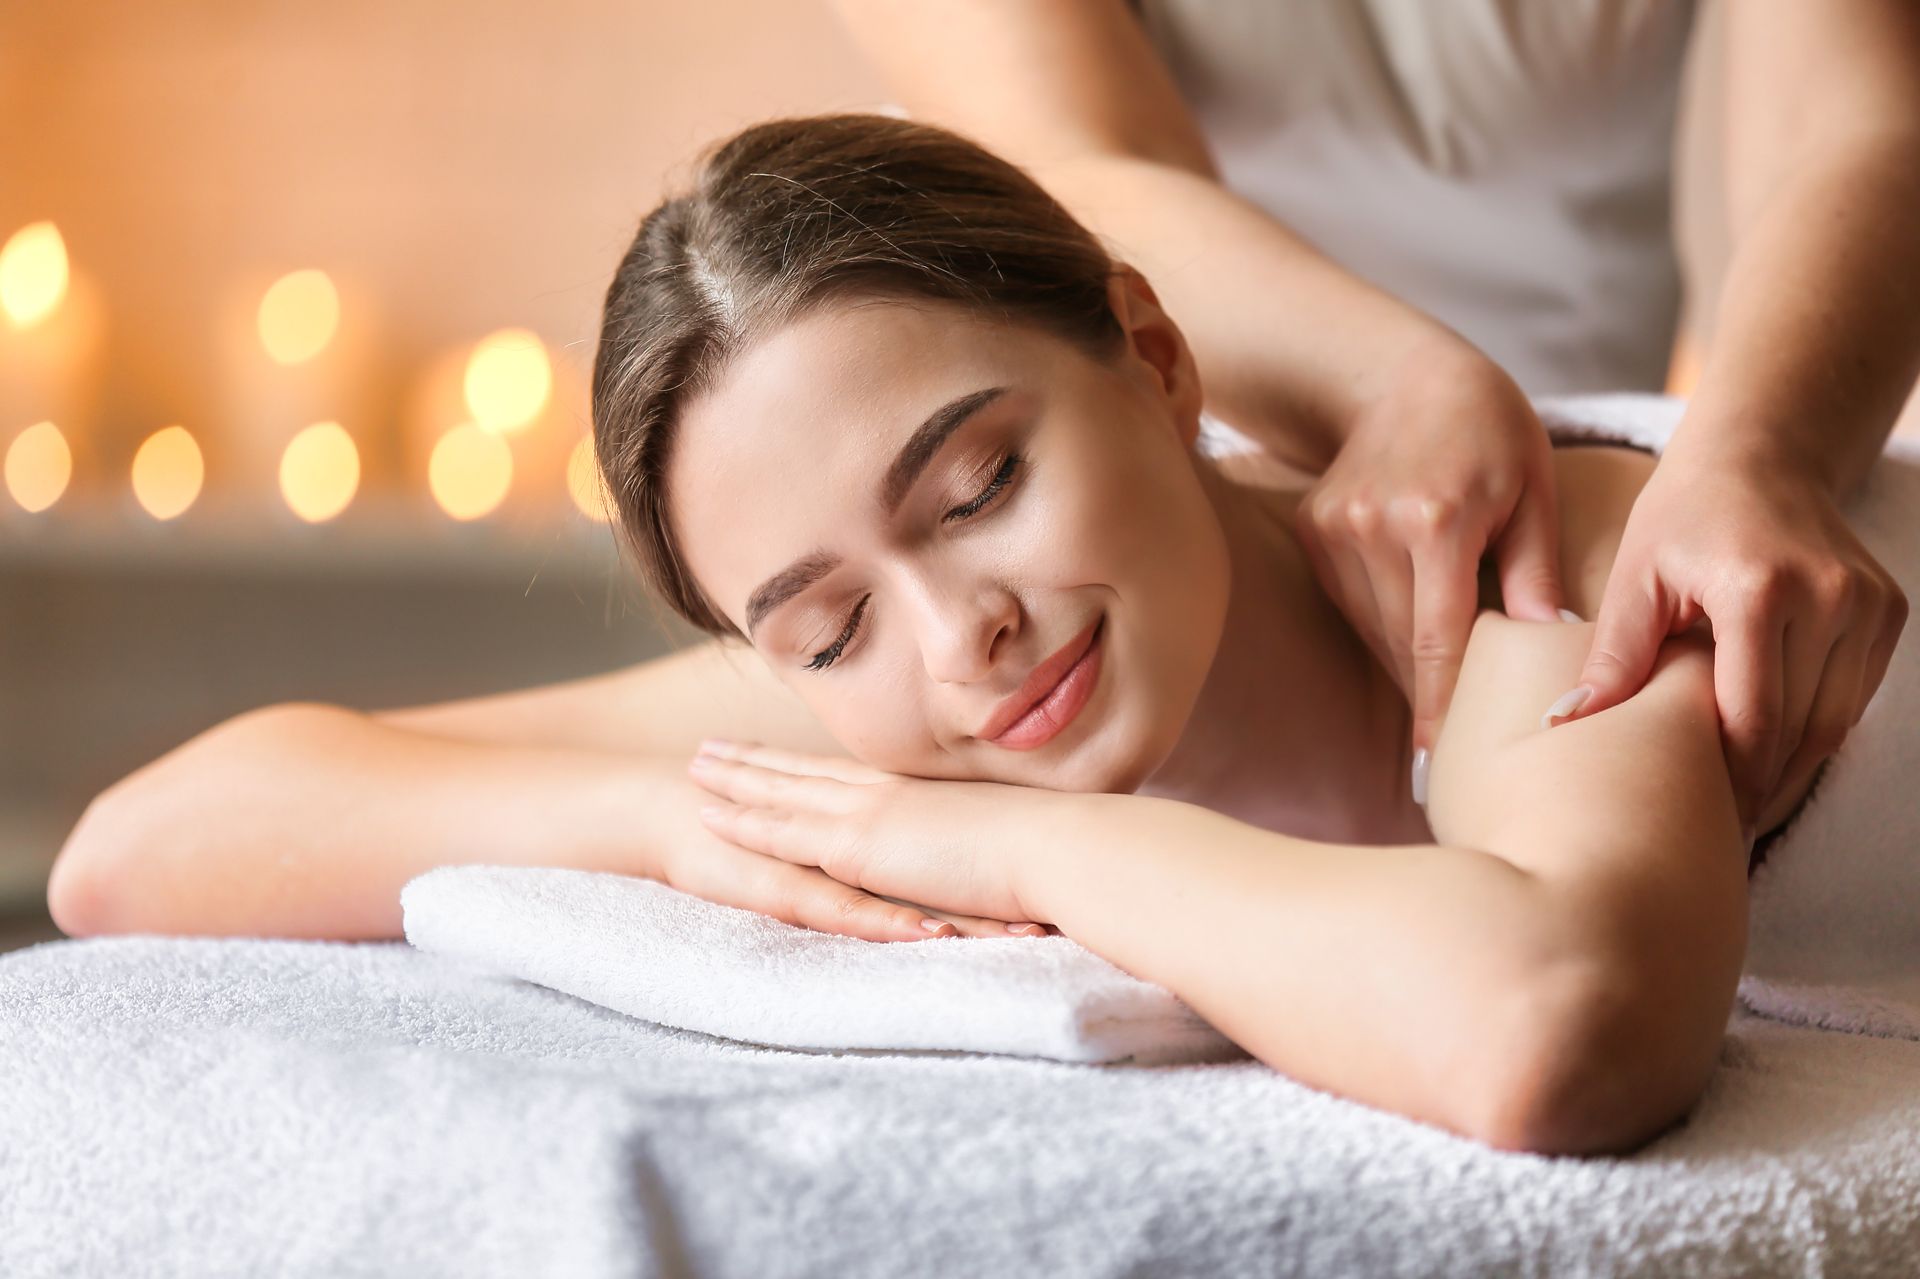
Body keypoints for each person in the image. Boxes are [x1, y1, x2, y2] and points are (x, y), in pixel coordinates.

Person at [50, 113, 1904, 1158]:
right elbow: (135, 851)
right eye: (829, 620)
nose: (963, 635)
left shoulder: (1519, 581)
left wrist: (1024, 840)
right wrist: (675, 823)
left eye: (980, 484)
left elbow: (1553, 1024)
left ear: (1160, 364)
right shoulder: (883, 709)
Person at [827, 0, 1920, 842]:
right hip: (1214, 481)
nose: (951, 640)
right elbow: (1071, 170)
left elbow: (1847, 119)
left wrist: (1758, 452)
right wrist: (1392, 383)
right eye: (830, 632)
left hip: (1625, 502)